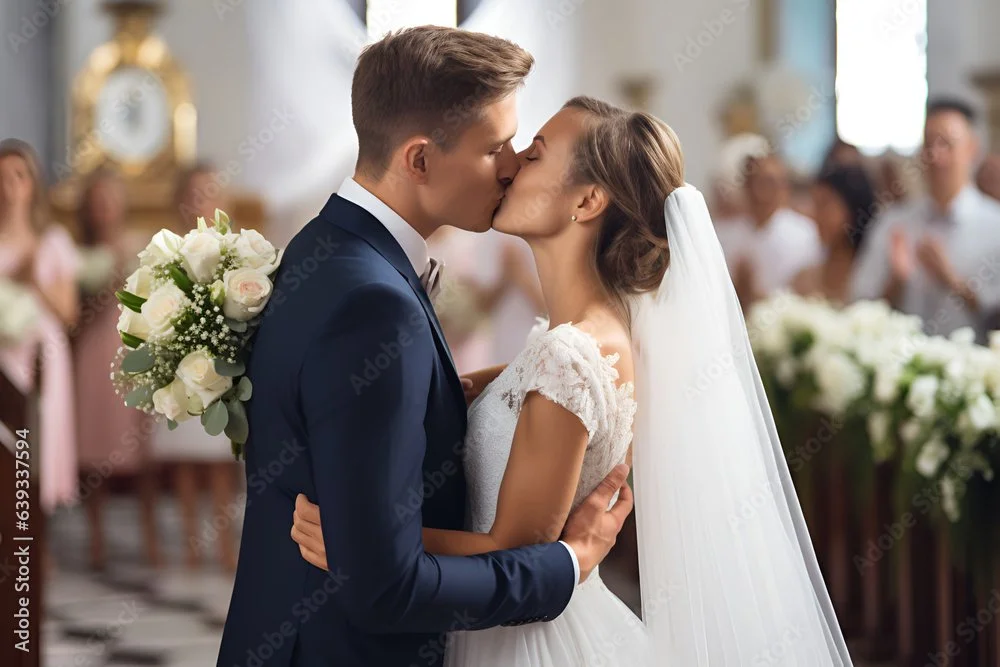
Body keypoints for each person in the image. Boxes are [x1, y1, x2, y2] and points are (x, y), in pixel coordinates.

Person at [290, 95, 854, 665]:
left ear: (586, 200)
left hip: (525, 639)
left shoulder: (573, 353)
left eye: (533, 154)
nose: (509, 166)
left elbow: (510, 549)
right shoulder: (571, 341)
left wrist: (360, 538)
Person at [216, 28, 633, 667]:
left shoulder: (323, 245)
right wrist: (567, 564)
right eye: (496, 146)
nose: (512, 164)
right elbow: (385, 587)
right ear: (420, 160)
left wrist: (472, 387)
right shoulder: (374, 305)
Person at [71, 166, 162, 570]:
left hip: (135, 351)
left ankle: (150, 538)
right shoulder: (78, 254)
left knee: (142, 449)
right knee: (94, 447)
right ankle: (96, 540)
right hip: (92, 352)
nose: (105, 208)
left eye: (110, 198)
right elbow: (72, 318)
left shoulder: (142, 245)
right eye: (97, 201)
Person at [851, 98, 1000, 341]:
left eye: (947, 145)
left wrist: (954, 282)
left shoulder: (996, 226)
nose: (935, 156)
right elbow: (861, 309)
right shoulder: (893, 223)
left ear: (972, 149)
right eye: (928, 145)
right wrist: (897, 280)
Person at [151, 162, 238, 571]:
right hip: (179, 364)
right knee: (185, 457)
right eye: (194, 192)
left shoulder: (237, 248)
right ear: (182, 200)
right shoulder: (168, 248)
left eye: (210, 190)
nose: (202, 199)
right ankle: (190, 541)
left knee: (220, 459)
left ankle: (223, 542)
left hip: (220, 366)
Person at [0, 138, 79, 514]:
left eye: (18, 176)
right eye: (1, 177)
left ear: (33, 183)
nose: (9, 187)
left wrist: (33, 279)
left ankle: (33, 542)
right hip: (3, 357)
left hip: (41, 358)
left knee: (34, 451)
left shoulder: (53, 240)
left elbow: (69, 313)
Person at [728, 152, 824, 306]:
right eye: (754, 182)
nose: (760, 191)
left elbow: (810, 292)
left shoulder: (805, 233)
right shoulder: (729, 234)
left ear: (784, 187)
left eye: (769, 182)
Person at [793, 164, 877, 303]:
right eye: (815, 204)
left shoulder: (872, 275)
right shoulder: (804, 277)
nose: (816, 215)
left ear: (852, 209)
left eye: (824, 205)